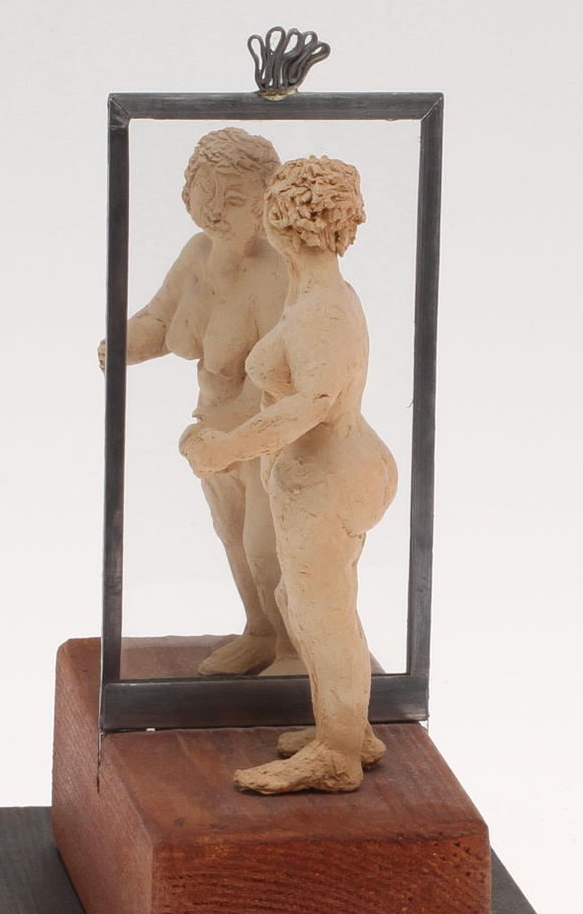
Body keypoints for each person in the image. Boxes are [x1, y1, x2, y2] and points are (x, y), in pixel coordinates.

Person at [181, 157, 397, 793]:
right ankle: (349, 729)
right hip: (332, 468)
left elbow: (310, 405)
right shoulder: (313, 295)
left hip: (327, 475)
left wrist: (226, 449)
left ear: (280, 220)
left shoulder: (320, 309)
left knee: (320, 610)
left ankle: (337, 753)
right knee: (304, 602)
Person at [99, 128, 302, 676]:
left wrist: (230, 440)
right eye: (203, 193)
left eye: (233, 199)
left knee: (267, 549)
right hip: (210, 433)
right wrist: (120, 346)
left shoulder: (280, 270)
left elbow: (279, 378)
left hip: (264, 436)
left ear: (265, 201)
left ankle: (295, 652)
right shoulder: (197, 254)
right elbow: (159, 320)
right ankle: (260, 632)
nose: (214, 211)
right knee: (232, 537)